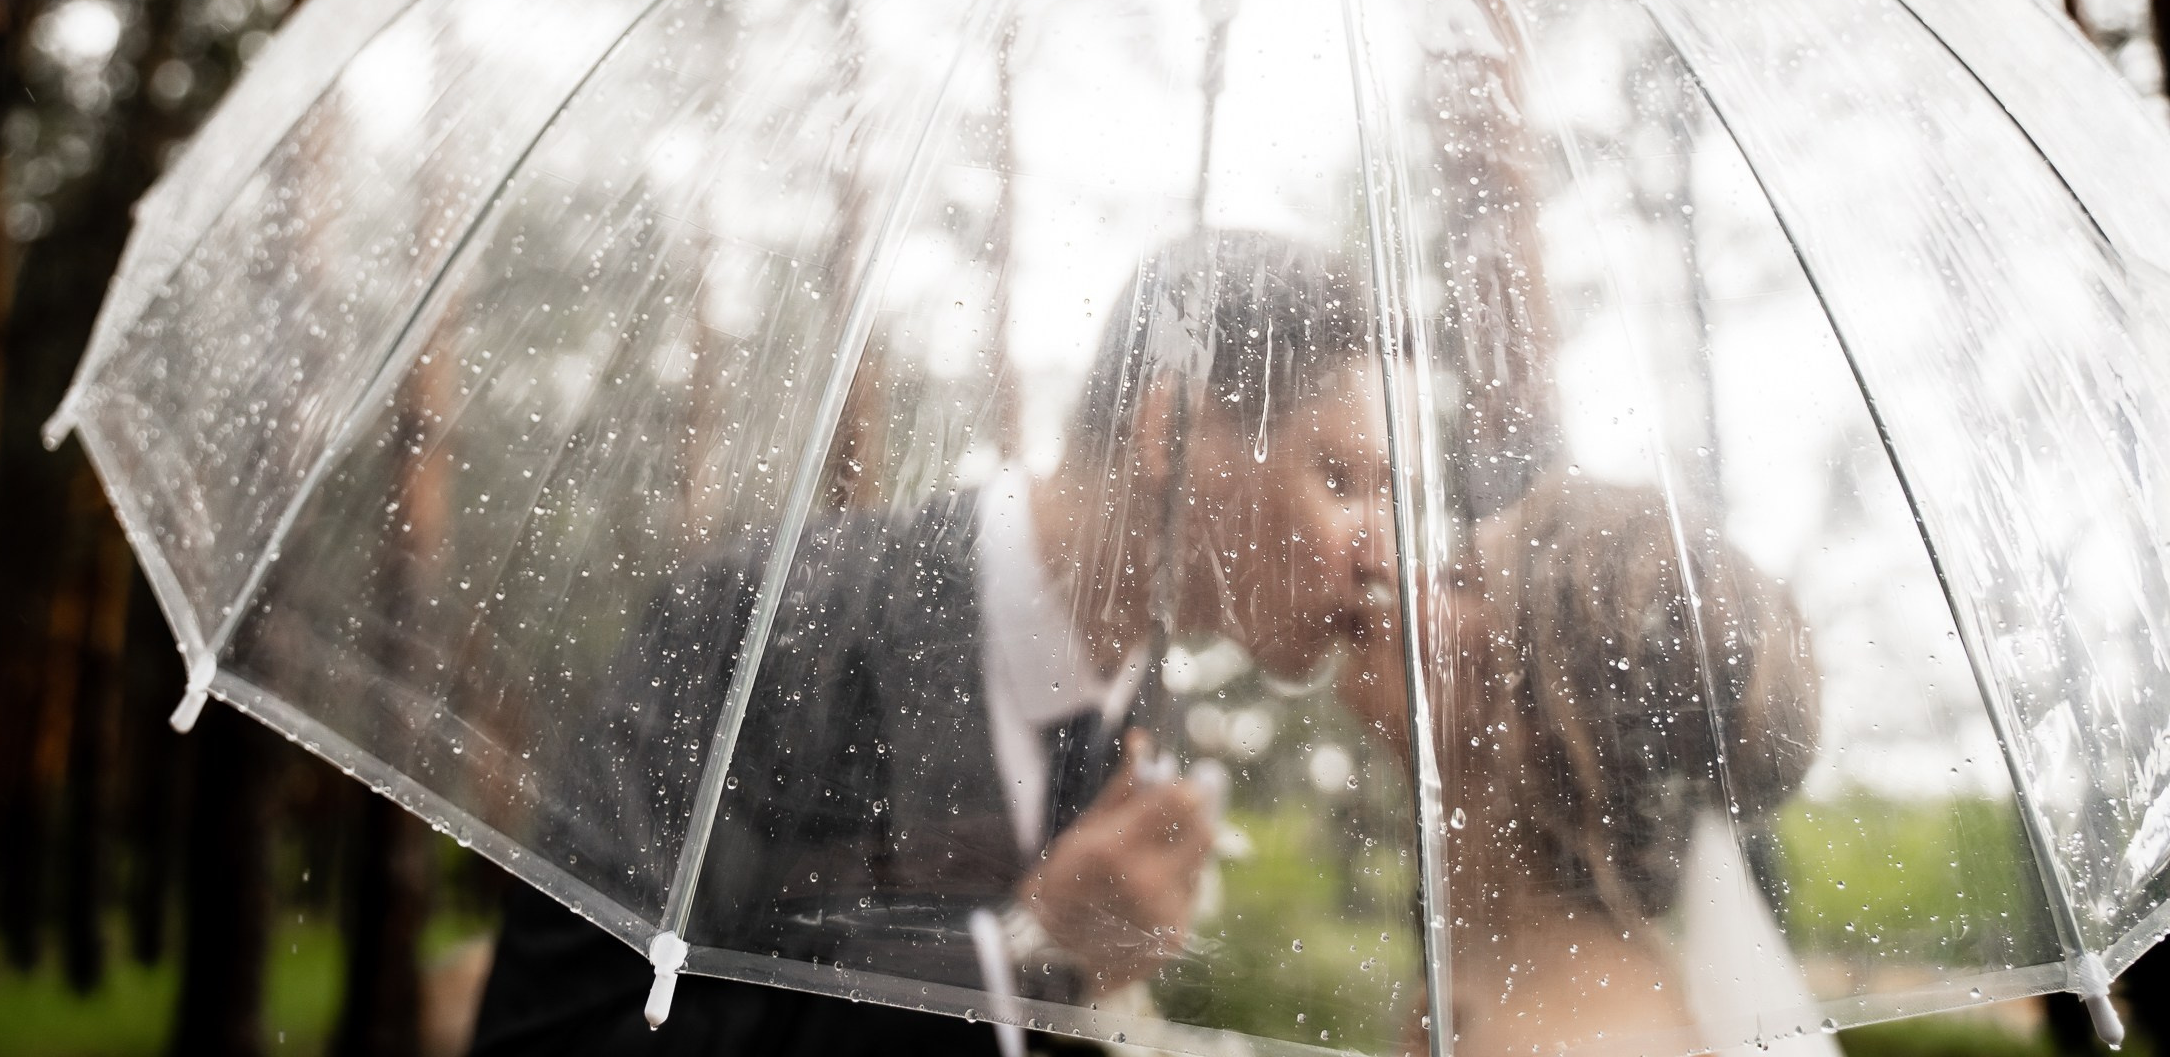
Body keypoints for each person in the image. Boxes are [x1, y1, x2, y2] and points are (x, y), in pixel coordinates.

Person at [468, 231, 1401, 1056]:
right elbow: (554, 1035)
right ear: (1173, 431)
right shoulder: (766, 624)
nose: (1382, 554)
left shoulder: (1158, 731)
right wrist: (1026, 961)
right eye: (1342, 477)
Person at [1341, 475, 1821, 1057]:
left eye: (1460, 579)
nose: (1398, 578)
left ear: (1545, 712)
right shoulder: (1491, 991)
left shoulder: (1573, 1040)